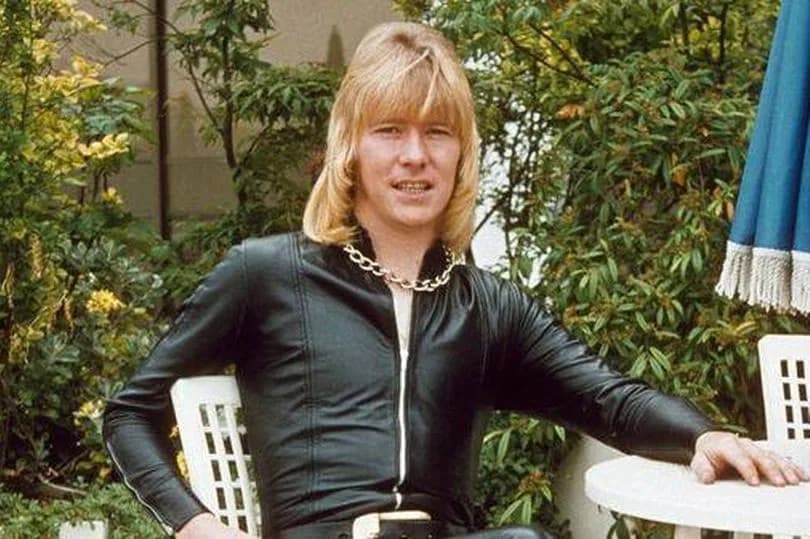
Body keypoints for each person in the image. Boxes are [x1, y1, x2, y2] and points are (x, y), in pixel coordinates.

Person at [102, 22, 807, 539]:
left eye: (437, 133)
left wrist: (702, 435)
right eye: (390, 131)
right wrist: (198, 524)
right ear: (350, 148)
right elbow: (129, 412)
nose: (415, 156)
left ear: (462, 153)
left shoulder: (486, 306)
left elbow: (609, 399)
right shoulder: (268, 274)